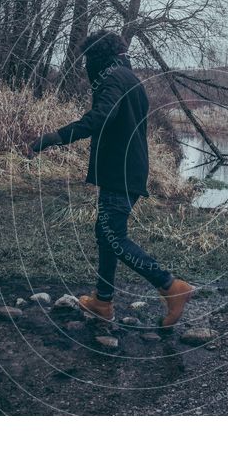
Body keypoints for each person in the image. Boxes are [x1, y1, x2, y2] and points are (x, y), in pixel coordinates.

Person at [25, 30, 194, 327]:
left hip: (121, 171)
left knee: (113, 237)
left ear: (98, 58)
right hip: (123, 170)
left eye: (89, 59)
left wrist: (54, 137)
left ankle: (170, 286)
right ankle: (102, 301)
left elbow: (101, 117)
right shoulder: (128, 78)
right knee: (106, 235)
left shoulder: (114, 79)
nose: (87, 66)